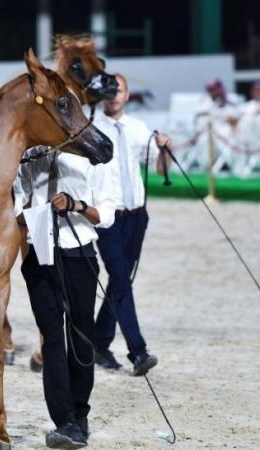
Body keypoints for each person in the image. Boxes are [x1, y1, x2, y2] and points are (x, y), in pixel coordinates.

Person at [15, 149, 118, 448]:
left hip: (79, 254)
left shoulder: (91, 155)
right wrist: (22, 213)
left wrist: (77, 205)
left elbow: (107, 214)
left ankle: (80, 414)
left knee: (81, 337)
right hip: (39, 257)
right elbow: (17, 198)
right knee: (52, 341)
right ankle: (64, 421)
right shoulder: (32, 156)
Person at [91, 73, 173, 376]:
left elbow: (161, 169)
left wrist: (166, 149)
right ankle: (138, 351)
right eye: (110, 90)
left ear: (127, 95)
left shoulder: (139, 128)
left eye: (120, 90)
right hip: (108, 216)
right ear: (102, 94)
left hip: (137, 215)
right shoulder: (92, 128)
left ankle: (98, 343)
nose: (114, 95)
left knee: (120, 281)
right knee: (121, 278)